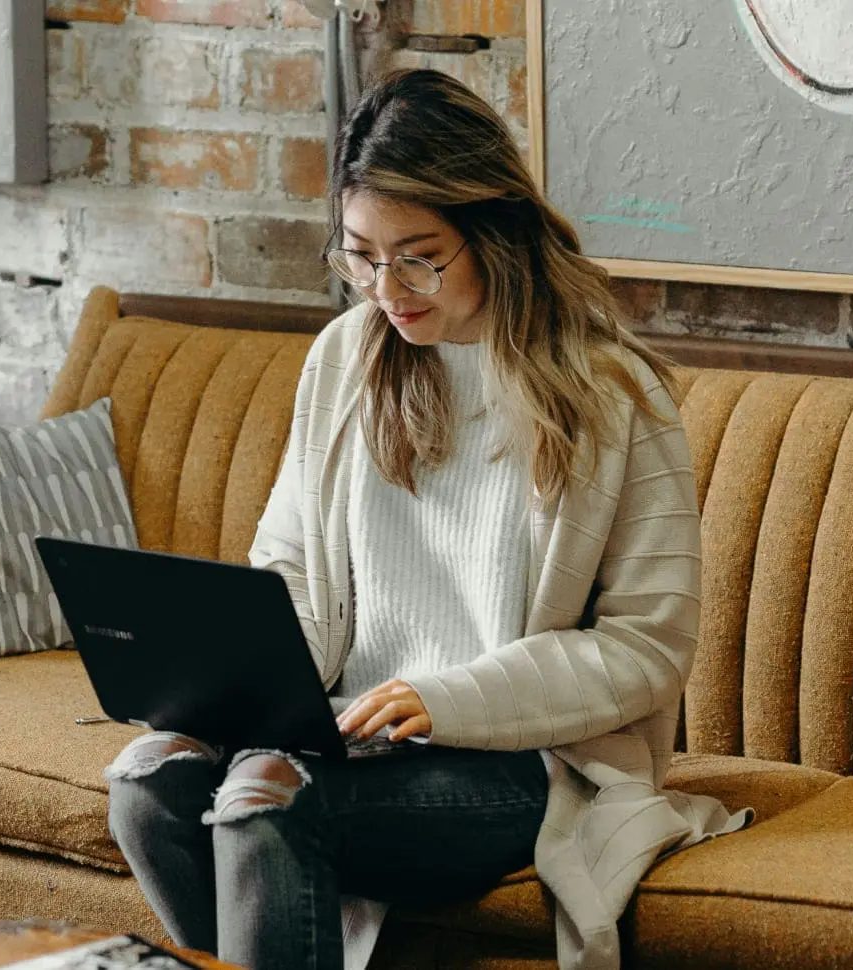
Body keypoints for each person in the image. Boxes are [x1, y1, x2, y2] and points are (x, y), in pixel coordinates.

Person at [104, 68, 751, 970]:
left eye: (418, 254)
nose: (386, 287)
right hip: (341, 731)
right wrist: (234, 681)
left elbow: (646, 648)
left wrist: (442, 700)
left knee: (263, 801)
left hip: (528, 762)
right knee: (149, 786)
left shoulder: (612, 394)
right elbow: (288, 565)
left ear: (494, 231)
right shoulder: (343, 360)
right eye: (360, 255)